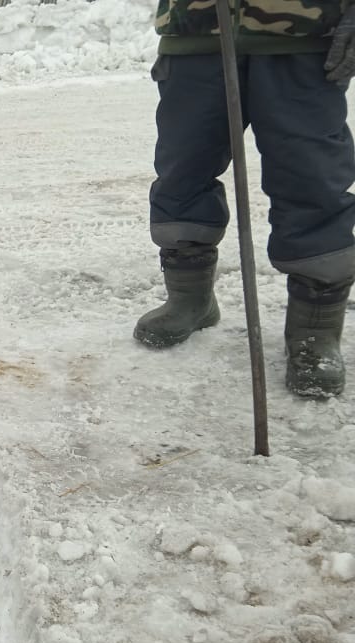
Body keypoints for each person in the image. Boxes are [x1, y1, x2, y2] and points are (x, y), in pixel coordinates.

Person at [134, 0, 355, 397]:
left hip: (303, 33)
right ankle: (191, 298)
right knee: (183, 168)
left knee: (311, 178)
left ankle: (315, 328)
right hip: (195, 29)